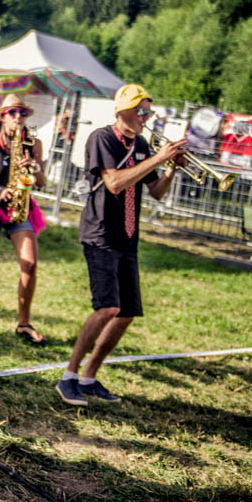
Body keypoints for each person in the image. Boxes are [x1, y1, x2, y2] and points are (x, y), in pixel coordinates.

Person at [56, 84, 187, 406]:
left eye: (149, 111)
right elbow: (114, 182)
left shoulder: (141, 143)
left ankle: (89, 377)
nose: (147, 117)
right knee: (107, 308)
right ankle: (68, 377)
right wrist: (159, 156)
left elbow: (154, 190)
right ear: (123, 111)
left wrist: (170, 169)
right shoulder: (102, 138)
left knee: (125, 313)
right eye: (142, 111)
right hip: (101, 233)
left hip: (127, 236)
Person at [0, 95, 47, 344]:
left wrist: (34, 167)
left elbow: (43, 182)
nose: (18, 117)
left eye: (23, 113)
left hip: (21, 207)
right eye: (13, 112)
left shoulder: (34, 144)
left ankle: (23, 323)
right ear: (3, 115)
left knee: (31, 264)